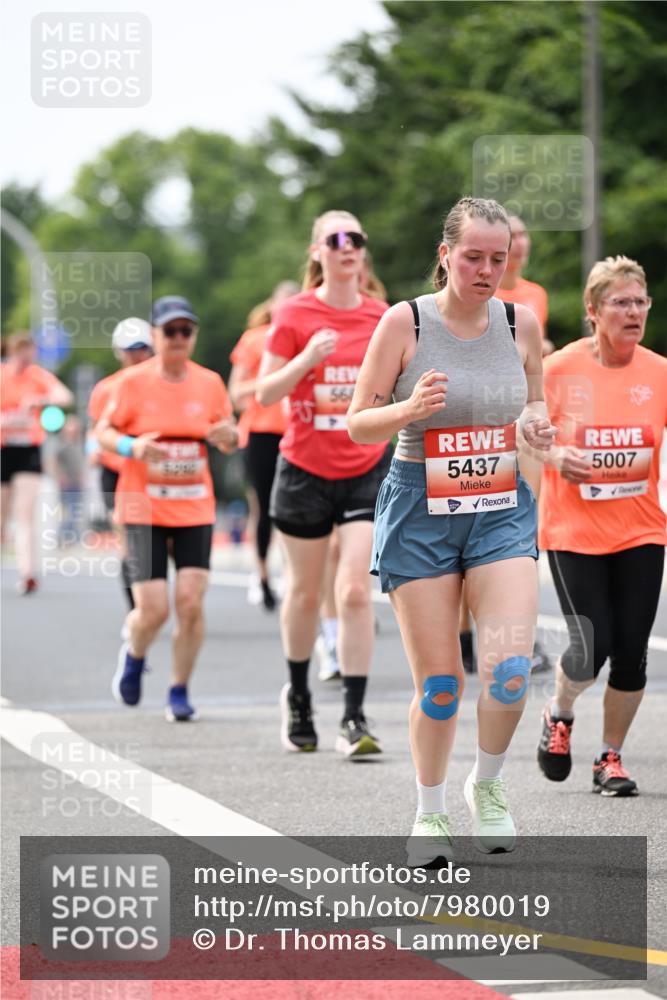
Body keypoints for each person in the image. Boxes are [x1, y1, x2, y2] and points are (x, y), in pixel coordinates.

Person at [347, 197, 555, 862]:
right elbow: (358, 421)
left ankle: (486, 786)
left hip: (498, 504)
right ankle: (428, 813)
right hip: (419, 506)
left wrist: (536, 427)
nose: (486, 270)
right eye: (473, 257)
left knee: (509, 671)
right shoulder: (403, 322)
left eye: (497, 259)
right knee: (440, 683)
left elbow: (534, 403)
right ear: (445, 255)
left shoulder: (520, 323)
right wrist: (410, 406)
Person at [256, 209, 392, 757]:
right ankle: (299, 697)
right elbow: (263, 394)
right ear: (317, 252)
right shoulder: (293, 314)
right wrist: (307, 359)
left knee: (356, 590)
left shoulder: (384, 316)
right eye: (335, 239)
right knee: (306, 593)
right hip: (304, 470)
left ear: (363, 252)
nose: (346, 246)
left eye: (355, 237)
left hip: (365, 468)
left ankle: (355, 716)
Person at [536, 256, 666, 797]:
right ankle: (559, 712)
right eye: (621, 302)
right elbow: (523, 432)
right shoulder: (560, 369)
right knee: (592, 648)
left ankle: (609, 757)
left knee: (632, 653)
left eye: (640, 302)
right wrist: (556, 455)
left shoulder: (659, 371)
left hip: (641, 529)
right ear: (594, 311)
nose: (633, 312)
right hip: (574, 530)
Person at [97, 296, 238, 722]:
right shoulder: (130, 384)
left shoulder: (210, 382)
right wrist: (132, 446)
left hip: (194, 505)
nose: (178, 339)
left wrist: (228, 435)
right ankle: (135, 653)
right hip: (142, 506)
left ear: (193, 336)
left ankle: (179, 689)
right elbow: (102, 431)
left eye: (185, 331)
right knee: (154, 609)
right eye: (169, 331)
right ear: (155, 336)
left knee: (191, 602)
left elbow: (231, 435)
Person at [457, 213, 554, 675]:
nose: (517, 249)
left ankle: (521, 637)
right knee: (464, 525)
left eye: (520, 239)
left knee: (522, 522)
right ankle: (463, 639)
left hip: (521, 420)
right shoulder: (473, 291)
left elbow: (531, 359)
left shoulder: (534, 298)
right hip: (474, 422)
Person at [228, 282, 299, 611]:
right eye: (282, 304)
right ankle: (261, 576)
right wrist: (276, 379)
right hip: (259, 431)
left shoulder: (307, 339)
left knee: (294, 507)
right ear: (272, 306)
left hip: (297, 432)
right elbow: (237, 395)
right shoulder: (255, 340)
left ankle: (292, 574)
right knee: (263, 506)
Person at [88, 318, 154, 614]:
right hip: (115, 471)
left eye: (141, 348)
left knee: (157, 541)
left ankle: (152, 596)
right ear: (119, 352)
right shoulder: (106, 388)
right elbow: (96, 429)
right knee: (128, 538)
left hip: (151, 474)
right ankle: (136, 610)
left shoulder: (160, 384)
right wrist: (93, 449)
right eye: (129, 349)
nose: (135, 355)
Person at [1, 332, 73, 594]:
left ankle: (27, 572)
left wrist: (41, 400)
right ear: (11, 352)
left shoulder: (38, 375)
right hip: (3, 449)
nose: (26, 358)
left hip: (28, 449)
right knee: (2, 515)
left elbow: (64, 396)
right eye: (22, 352)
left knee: (25, 513)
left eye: (30, 352)